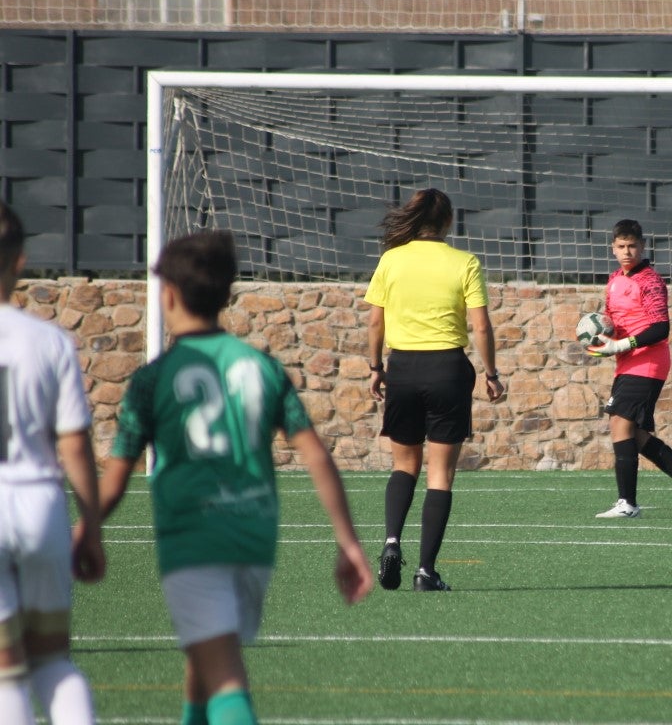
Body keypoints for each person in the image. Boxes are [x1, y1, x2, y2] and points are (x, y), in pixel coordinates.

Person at [98, 230, 374, 725]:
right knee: (206, 652)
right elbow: (316, 456)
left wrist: (85, 528)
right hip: (253, 536)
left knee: (224, 674)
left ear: (169, 294)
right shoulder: (261, 368)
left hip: (193, 536)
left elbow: (117, 477)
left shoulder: (152, 380)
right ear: (227, 296)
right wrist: (348, 541)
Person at [365, 188, 506, 593]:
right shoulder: (464, 262)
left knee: (403, 466)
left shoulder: (391, 259)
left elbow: (375, 324)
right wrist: (491, 373)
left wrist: (376, 368)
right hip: (447, 368)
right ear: (447, 222)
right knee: (440, 475)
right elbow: (480, 326)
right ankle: (426, 572)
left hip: (403, 367)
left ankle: (392, 542)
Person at [0, 201, 105, 725]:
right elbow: (75, 446)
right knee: (52, 662)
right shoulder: (50, 342)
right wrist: (91, 525)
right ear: (20, 261)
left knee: (5, 674)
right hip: (40, 503)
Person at [587, 219, 672, 520]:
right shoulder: (615, 279)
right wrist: (605, 337)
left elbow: (660, 328)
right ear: (613, 249)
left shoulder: (650, 280)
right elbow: (614, 321)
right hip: (627, 363)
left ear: (642, 247)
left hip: (648, 361)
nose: (627, 251)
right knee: (636, 435)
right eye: (621, 246)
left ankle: (627, 503)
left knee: (619, 424)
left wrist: (620, 345)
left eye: (632, 246)